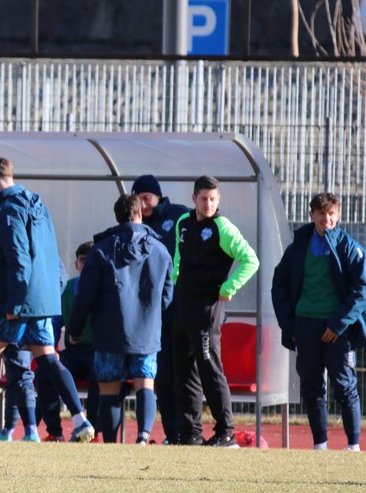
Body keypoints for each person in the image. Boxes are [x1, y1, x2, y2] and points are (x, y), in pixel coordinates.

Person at [0, 156, 95, 443]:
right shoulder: (37, 204)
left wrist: (15, 303)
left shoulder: (7, 209)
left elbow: (18, 256)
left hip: (16, 301)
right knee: (49, 359)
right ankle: (81, 420)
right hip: (41, 300)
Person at [69, 195, 173, 444]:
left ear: (116, 216)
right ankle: (143, 437)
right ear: (139, 213)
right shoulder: (160, 250)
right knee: (145, 384)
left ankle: (111, 442)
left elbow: (86, 295)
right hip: (146, 332)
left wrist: (75, 328)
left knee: (109, 388)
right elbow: (167, 297)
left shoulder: (100, 250)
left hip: (109, 331)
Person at [272, 192, 364, 451]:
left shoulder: (349, 247)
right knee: (311, 387)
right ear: (311, 215)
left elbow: (361, 290)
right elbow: (278, 285)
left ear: (338, 215)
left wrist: (338, 324)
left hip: (337, 330)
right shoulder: (297, 248)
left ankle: (353, 447)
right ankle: (320, 446)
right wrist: (289, 327)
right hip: (305, 326)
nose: (327, 219)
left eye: (331, 214)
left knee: (345, 386)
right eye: (321, 214)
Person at [171, 175, 259, 448]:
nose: (208, 203)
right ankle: (191, 432)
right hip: (183, 307)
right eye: (203, 198)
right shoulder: (182, 223)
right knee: (184, 371)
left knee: (210, 369)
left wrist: (229, 287)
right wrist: (175, 280)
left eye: (213, 199)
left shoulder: (223, 228)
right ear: (194, 198)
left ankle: (226, 433)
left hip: (208, 309)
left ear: (218, 200)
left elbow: (250, 259)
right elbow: (178, 256)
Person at [132, 174, 190, 445]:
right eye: (139, 199)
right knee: (163, 378)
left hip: (182, 311)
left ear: (157, 196)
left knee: (185, 376)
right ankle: (171, 434)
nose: (143, 205)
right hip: (154, 318)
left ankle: (189, 432)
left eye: (147, 198)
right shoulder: (136, 224)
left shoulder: (179, 216)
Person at [40, 241, 98, 442]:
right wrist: (52, 347)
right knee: (45, 371)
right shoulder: (67, 290)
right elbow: (55, 322)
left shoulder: (105, 288)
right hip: (73, 353)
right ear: (76, 264)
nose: (86, 264)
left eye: (91, 260)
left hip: (97, 352)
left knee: (102, 376)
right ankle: (54, 432)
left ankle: (94, 432)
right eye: (83, 260)